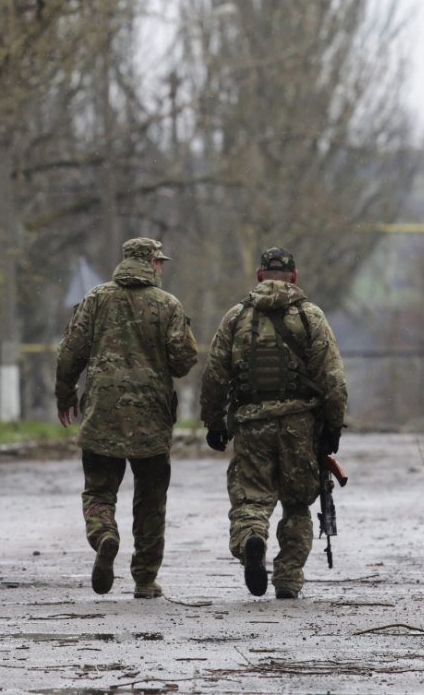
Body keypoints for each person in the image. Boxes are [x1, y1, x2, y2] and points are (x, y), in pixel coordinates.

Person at [199, 246, 347, 599]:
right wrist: (332, 426)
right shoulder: (311, 317)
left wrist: (213, 422)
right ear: (294, 276)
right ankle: (288, 577)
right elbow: (332, 379)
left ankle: (252, 537)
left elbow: (215, 374)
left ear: (259, 275)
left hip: (251, 425)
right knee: (297, 503)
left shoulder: (236, 317)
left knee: (251, 500)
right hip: (299, 426)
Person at [55, 237, 198, 599]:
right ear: (152, 262)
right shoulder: (167, 305)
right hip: (151, 417)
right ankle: (145, 578)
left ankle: (104, 534)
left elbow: (70, 352)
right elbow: (183, 362)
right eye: (160, 262)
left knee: (100, 489)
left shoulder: (96, 299)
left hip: (102, 412)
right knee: (151, 498)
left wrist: (65, 393)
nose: (161, 267)